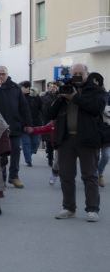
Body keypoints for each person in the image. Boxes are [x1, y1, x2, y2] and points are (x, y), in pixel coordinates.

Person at [46, 64, 106, 222]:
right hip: (65, 139)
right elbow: (49, 113)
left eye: (81, 73)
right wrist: (59, 98)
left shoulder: (96, 90)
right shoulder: (64, 89)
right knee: (66, 175)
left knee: (89, 176)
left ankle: (92, 210)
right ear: (70, 75)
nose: (78, 76)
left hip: (88, 138)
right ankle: (68, 208)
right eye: (75, 73)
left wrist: (75, 97)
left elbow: (97, 108)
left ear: (87, 74)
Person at [0, 66, 33, 188]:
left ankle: (14, 176)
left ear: (7, 74)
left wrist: (28, 123)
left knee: (15, 150)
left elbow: (24, 106)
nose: (1, 76)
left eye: (3, 74)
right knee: (0, 152)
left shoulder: (15, 87)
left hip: (14, 124)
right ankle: (1, 177)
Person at [89, 73, 110, 187]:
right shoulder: (85, 94)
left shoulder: (106, 94)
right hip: (92, 128)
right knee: (93, 156)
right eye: (92, 80)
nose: (95, 82)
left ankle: (100, 172)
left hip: (105, 129)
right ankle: (94, 175)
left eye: (97, 80)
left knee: (106, 155)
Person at [19, 81, 43, 167]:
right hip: (23, 124)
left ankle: (29, 154)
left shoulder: (35, 97)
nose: (20, 89)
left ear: (27, 88)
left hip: (35, 123)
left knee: (35, 142)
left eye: (21, 87)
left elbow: (42, 108)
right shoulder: (18, 97)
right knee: (26, 143)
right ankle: (28, 160)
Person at [39, 81, 59, 167]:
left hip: (58, 121)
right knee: (49, 141)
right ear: (48, 88)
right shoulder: (44, 98)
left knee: (57, 140)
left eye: (54, 86)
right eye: (51, 86)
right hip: (47, 121)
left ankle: (57, 157)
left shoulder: (60, 97)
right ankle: (50, 157)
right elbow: (42, 110)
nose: (53, 88)